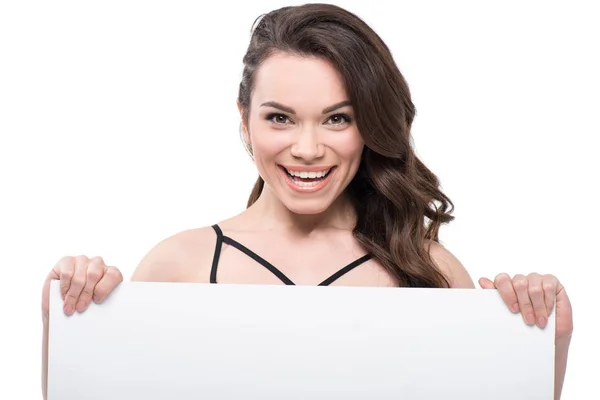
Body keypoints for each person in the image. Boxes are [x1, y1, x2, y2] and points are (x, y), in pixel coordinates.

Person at [40, 3, 573, 399]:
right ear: (244, 120)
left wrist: (545, 335)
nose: (308, 148)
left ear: (369, 127)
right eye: (280, 117)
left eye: (337, 118)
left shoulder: (428, 269)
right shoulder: (179, 264)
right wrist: (66, 321)